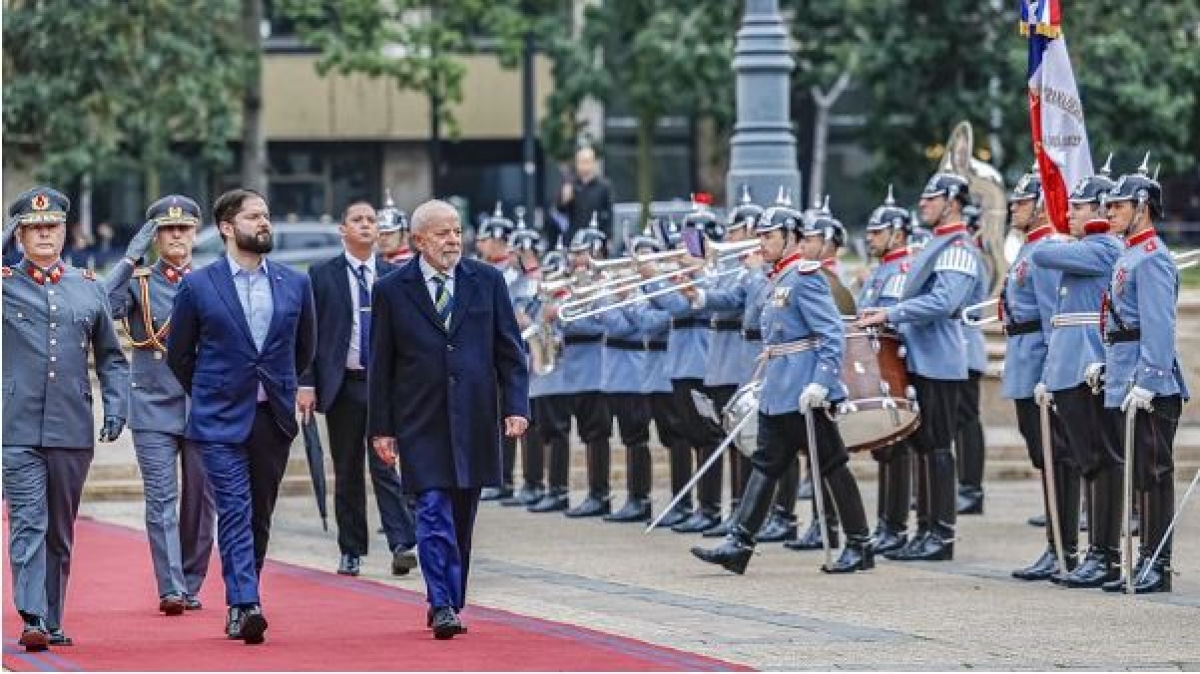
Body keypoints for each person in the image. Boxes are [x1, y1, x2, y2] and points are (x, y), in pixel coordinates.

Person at [368, 199, 529, 638]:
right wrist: (381, 428)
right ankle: (441, 602)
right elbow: (380, 363)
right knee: (433, 511)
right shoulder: (390, 289)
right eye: (442, 233)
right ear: (419, 240)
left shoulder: (488, 281)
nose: (453, 240)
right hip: (420, 418)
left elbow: (510, 353)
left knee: (461, 516)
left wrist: (516, 406)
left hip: (475, 416)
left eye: (457, 231)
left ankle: (449, 596)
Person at [166, 188, 317, 645]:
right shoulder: (198, 285)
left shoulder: (295, 283)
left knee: (259, 514)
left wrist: (284, 388)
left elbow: (303, 348)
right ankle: (244, 603)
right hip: (218, 419)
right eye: (254, 216)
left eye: (266, 215)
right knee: (233, 509)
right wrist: (212, 392)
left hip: (272, 416)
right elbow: (180, 355)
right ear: (228, 228)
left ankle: (243, 593)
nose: (264, 222)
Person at [690, 201, 874, 575]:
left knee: (832, 465)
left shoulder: (806, 277)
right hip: (780, 390)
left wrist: (822, 383)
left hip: (805, 390)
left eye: (769, 236)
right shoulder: (777, 278)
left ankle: (860, 544)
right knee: (766, 463)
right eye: (760, 235)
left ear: (791, 237)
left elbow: (831, 334)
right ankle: (739, 542)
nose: (762, 242)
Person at [3, 186, 129, 651]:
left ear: (65, 232)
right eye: (32, 227)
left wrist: (117, 405)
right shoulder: (4, 283)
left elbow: (112, 358)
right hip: (16, 427)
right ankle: (32, 615)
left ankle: (52, 617)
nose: (42, 235)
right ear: (19, 234)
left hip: (71, 426)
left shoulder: (89, 286)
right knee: (28, 523)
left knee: (59, 528)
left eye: (50, 226)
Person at [857, 173, 978, 562]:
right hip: (920, 357)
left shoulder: (958, 246)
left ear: (953, 202)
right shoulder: (936, 245)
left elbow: (944, 301)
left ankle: (940, 534)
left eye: (932, 198)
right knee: (923, 446)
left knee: (938, 448)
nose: (923, 204)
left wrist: (891, 312)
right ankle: (923, 529)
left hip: (939, 360)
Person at [105, 195, 215, 615]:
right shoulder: (140, 283)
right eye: (167, 230)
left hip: (201, 405)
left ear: (195, 234)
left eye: (184, 229)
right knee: (161, 498)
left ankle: (191, 581)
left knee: (202, 502)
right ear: (154, 236)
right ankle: (170, 588)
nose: (176, 237)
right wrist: (130, 258)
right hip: (152, 404)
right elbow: (99, 305)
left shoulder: (208, 281)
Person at [297, 199, 417, 579]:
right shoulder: (322, 275)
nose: (366, 225)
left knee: (387, 463)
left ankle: (402, 542)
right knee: (348, 469)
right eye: (358, 220)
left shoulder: (394, 274)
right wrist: (306, 382)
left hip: (386, 387)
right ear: (343, 230)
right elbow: (307, 334)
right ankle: (351, 549)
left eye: (371, 220)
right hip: (344, 385)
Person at [1029, 161, 1124, 587]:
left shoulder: (1103, 248)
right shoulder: (1086, 248)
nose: (1070, 213)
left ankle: (1104, 554)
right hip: (1069, 367)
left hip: (1087, 367)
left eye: (1080, 207)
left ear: (1100, 211)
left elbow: (1042, 253)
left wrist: (1059, 235)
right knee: (1088, 463)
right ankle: (1093, 553)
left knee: (1100, 462)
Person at [1096, 159, 1188, 593]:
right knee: (1139, 475)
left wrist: (1149, 381)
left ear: (1142, 206)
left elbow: (1158, 326)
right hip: (1124, 374)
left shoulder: (1151, 259)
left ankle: (1158, 563)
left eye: (1116, 206)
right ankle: (1146, 560)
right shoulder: (1129, 254)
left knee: (1154, 475)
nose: (1109, 212)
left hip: (1150, 383)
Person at [998, 168, 1077, 582]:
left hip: (1039, 364)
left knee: (1056, 458)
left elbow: (1052, 317)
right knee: (1044, 459)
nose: (1014, 207)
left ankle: (1062, 547)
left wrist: (1051, 373)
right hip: (1023, 361)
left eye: (1022, 201)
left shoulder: (1045, 252)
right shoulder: (1030, 249)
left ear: (1042, 205)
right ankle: (1056, 544)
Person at [856, 188, 916, 554]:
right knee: (886, 449)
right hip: (879, 361)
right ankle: (886, 525)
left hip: (895, 363)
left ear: (897, 232)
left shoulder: (901, 269)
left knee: (897, 448)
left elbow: (890, 317)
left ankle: (894, 526)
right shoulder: (882, 269)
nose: (870, 238)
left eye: (877, 232)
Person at [557, 146, 613, 241]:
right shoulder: (570, 184)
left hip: (596, 237)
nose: (584, 165)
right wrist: (564, 200)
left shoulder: (603, 186)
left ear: (593, 163)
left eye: (587, 161)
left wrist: (609, 236)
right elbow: (560, 211)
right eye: (581, 161)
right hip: (574, 237)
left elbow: (609, 213)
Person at [377, 190, 414, 264]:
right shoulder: (373, 264)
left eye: (390, 233)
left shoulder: (415, 265)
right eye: (380, 234)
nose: (383, 238)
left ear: (405, 235)